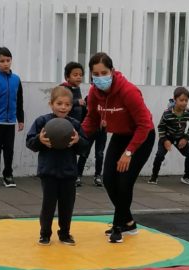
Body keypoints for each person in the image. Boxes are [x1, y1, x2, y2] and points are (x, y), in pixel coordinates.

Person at [81, 52, 155, 243]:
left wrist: (129, 152)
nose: (100, 78)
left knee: (124, 182)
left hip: (141, 137)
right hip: (120, 136)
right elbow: (92, 119)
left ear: (112, 71)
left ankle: (118, 227)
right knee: (108, 179)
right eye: (95, 74)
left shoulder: (128, 91)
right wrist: (76, 136)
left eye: (103, 73)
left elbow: (144, 125)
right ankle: (129, 222)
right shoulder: (93, 93)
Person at [26, 86, 86, 246]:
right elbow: (30, 143)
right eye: (59, 103)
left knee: (67, 206)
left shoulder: (75, 125)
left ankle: (65, 233)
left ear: (71, 107)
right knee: (48, 205)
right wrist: (40, 139)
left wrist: (77, 141)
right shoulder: (42, 122)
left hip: (68, 173)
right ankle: (45, 234)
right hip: (49, 172)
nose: (63, 107)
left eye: (67, 104)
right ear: (51, 104)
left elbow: (85, 147)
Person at [60, 62, 107, 187]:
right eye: (75, 75)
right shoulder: (64, 88)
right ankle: (73, 175)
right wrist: (76, 102)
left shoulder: (81, 91)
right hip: (67, 126)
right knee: (76, 152)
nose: (79, 77)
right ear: (67, 77)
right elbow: (61, 103)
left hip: (83, 127)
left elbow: (87, 111)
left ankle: (95, 175)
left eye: (81, 75)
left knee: (98, 153)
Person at [0, 47, 24, 187]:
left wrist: (21, 119)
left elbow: (19, 101)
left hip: (10, 122)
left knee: (9, 150)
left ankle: (8, 175)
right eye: (2, 61)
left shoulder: (16, 79)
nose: (6, 63)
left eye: (8, 60)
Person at [148, 87, 189, 186]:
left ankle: (186, 177)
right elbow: (160, 127)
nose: (184, 103)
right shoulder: (167, 113)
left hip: (180, 137)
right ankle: (154, 176)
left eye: (186, 100)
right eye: (181, 100)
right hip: (167, 136)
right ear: (175, 99)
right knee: (159, 155)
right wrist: (165, 140)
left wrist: (185, 138)